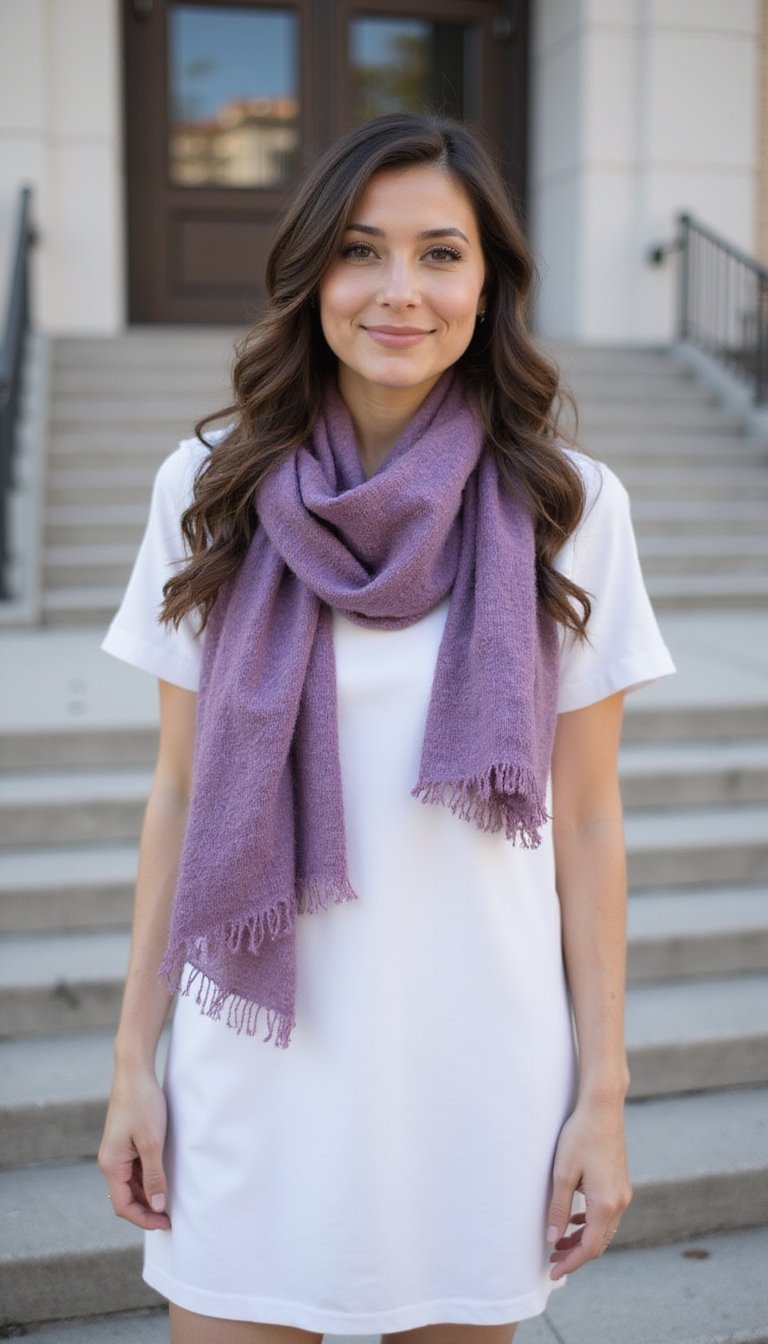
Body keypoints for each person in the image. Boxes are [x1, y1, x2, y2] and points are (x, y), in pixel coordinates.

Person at [98, 113, 675, 1344]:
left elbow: (584, 817)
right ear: (313, 274)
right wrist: (132, 1061)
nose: (398, 292)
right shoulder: (207, 487)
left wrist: (604, 1094)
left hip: (477, 1068)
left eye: (440, 254)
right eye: (362, 251)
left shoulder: (568, 506)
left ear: (489, 282)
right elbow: (180, 792)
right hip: (256, 1049)